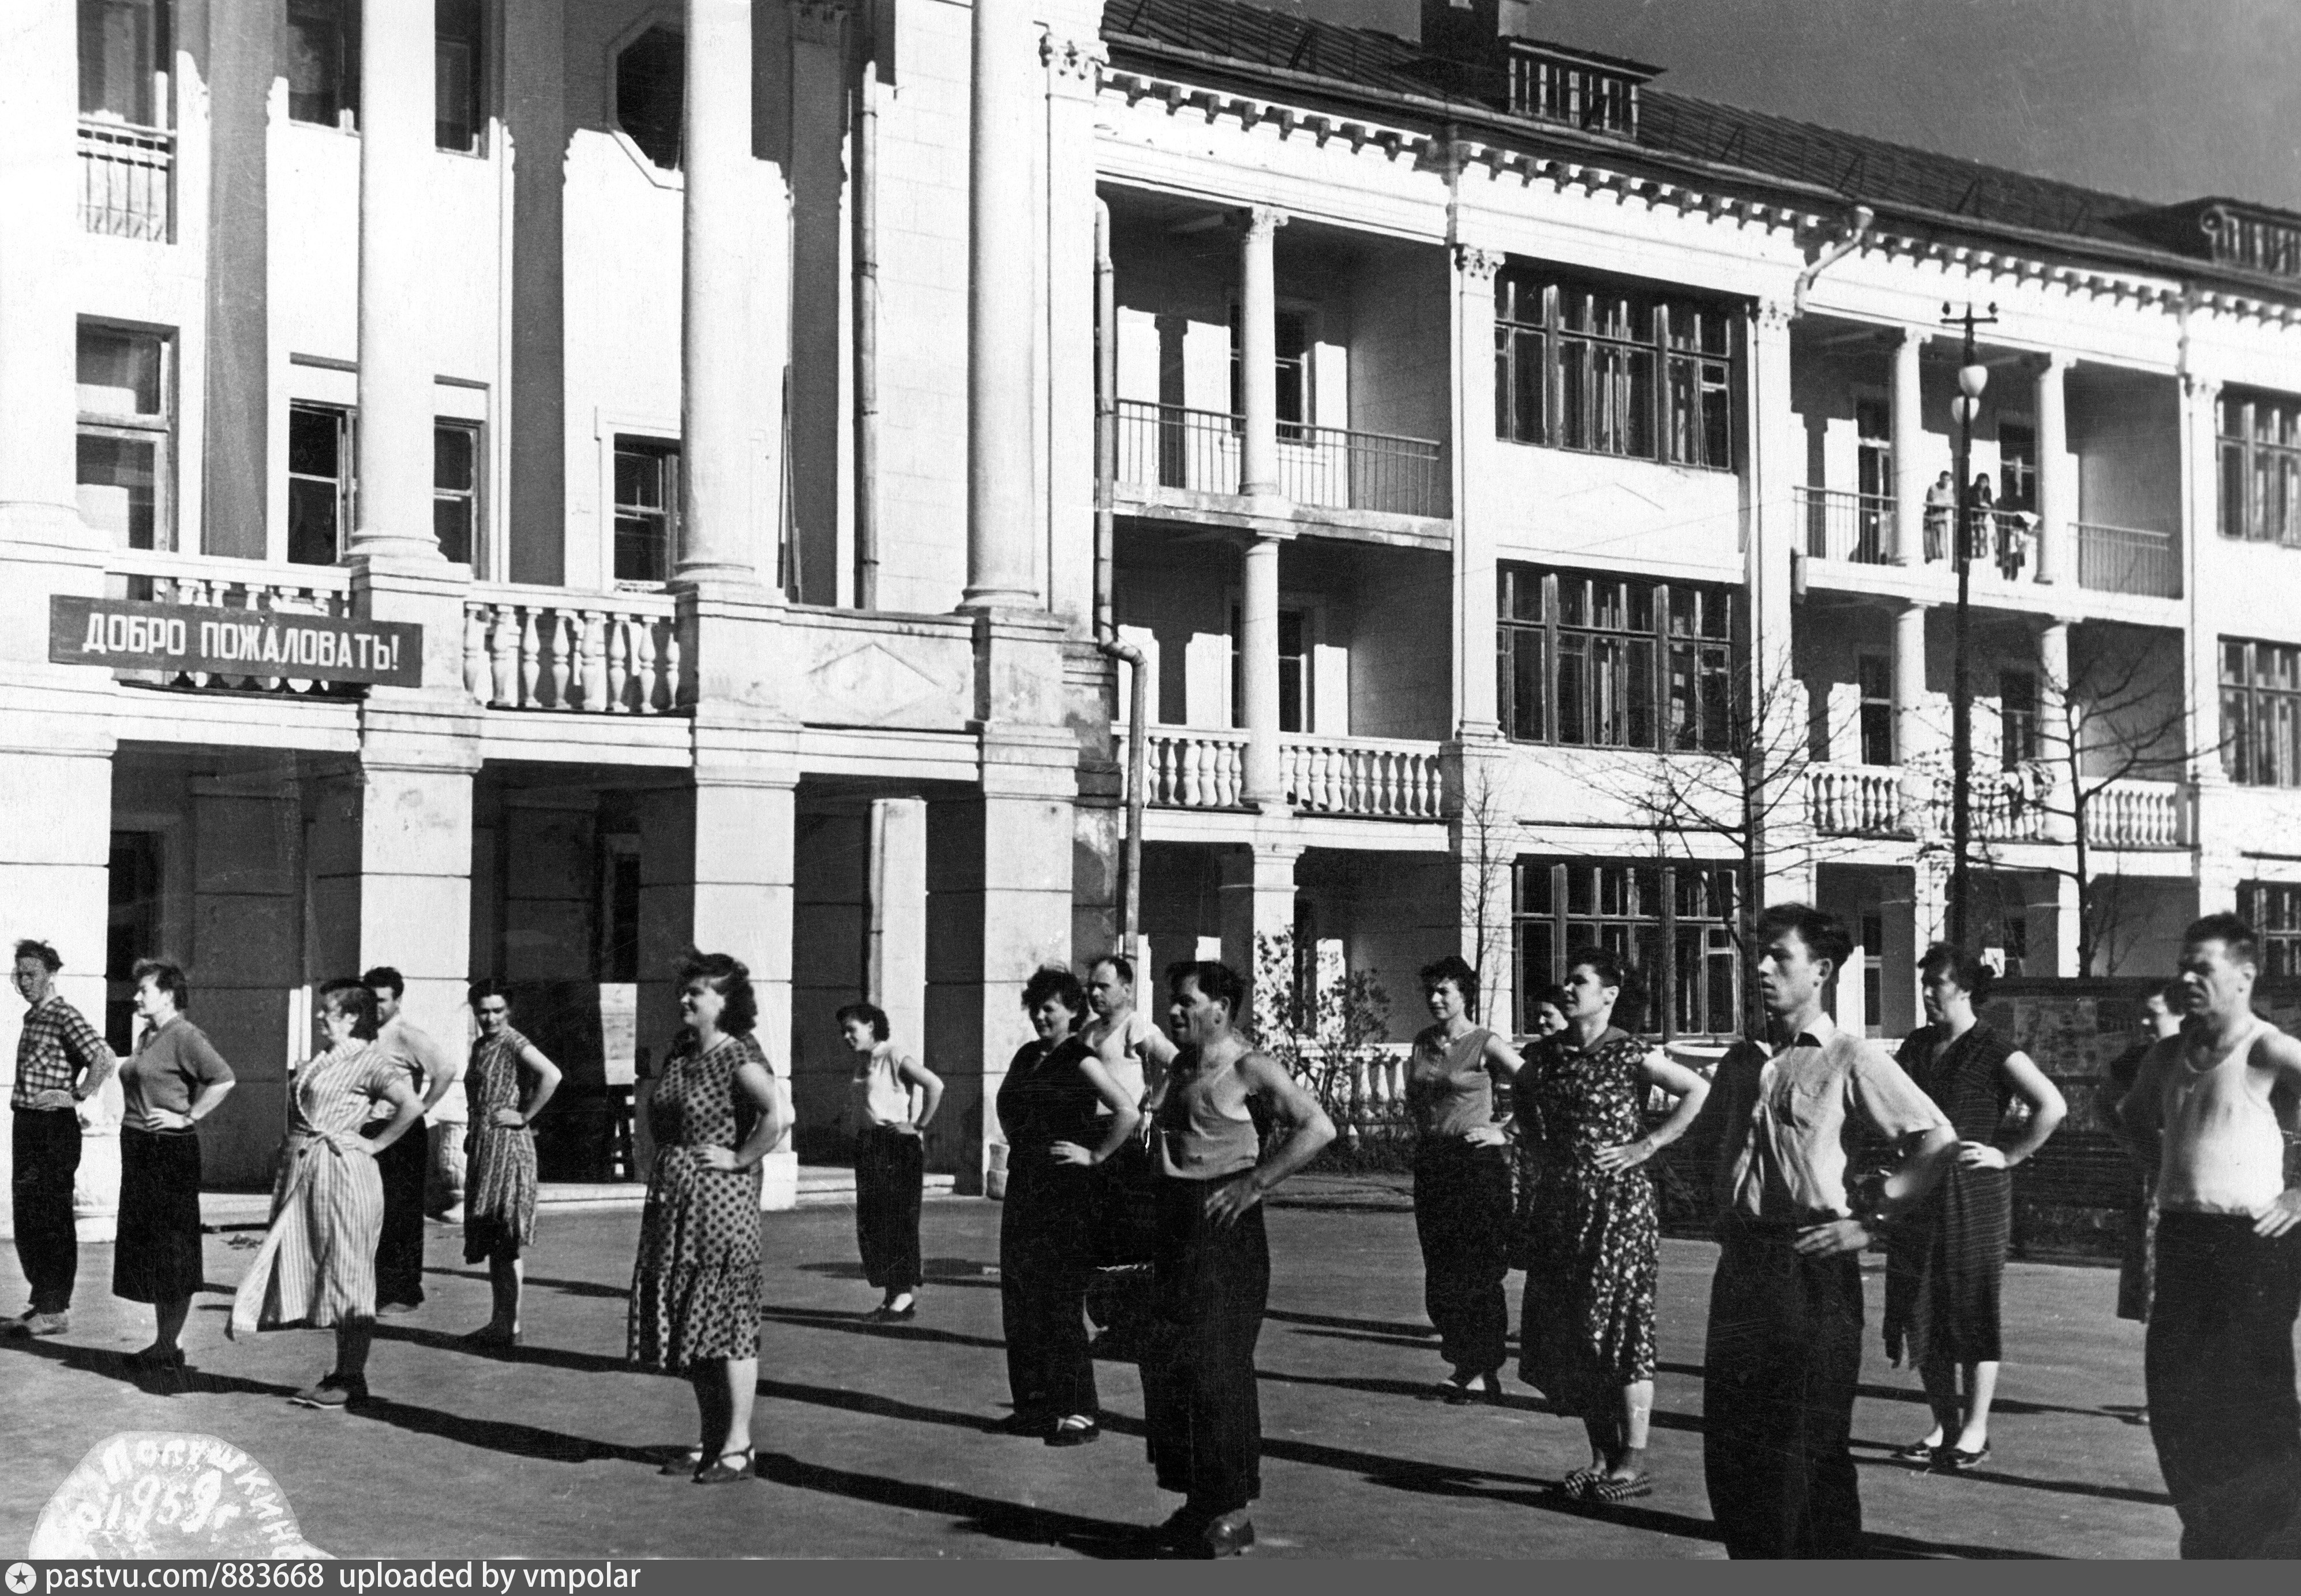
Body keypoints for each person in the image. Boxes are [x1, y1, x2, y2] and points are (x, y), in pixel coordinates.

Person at [1687, 904, 1957, 1558]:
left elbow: (1936, 1139)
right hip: (1745, 1267)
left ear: (1822, 970)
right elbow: (1707, 1149)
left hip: (1812, 1267)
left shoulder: (1849, 1058)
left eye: (1781, 956)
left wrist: (1872, 1224)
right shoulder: (1741, 1062)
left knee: (1803, 1452)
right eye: (1761, 954)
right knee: (1732, 1450)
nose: (1763, 968)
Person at [2115, 914, 2301, 1558]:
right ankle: (2211, 1541)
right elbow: (2132, 1118)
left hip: (2254, 1246)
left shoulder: (2267, 1049)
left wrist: (2300, 1194)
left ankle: (2275, 1553)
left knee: (2253, 1406)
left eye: (2203, 968)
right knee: (2176, 1402)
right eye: (2183, 967)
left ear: (2245, 976)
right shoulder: (2168, 1054)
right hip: (2184, 1241)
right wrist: (2160, 1169)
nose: (2187, 979)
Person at [1138, 960, 1335, 1557]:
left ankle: (1230, 1510)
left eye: (1186, 1001)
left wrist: (1256, 1184)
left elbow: (1318, 1127)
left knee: (1216, 1369)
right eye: (1173, 1001)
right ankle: (1197, 1501)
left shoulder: (1250, 1067)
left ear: (1220, 1008)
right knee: (1171, 1368)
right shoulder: (1178, 1066)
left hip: (1226, 1232)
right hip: (1174, 1225)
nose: (1174, 1011)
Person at [1514, 949, 1709, 1501]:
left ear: (1609, 994)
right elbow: (1524, 1101)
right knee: (1574, 1331)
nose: (1569, 991)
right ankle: (1600, 1455)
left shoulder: (1628, 1053)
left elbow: (1698, 1091)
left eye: (1580, 982)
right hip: (1562, 1208)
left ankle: (1633, 1458)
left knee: (1621, 1329)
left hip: (1620, 1210)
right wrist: (1540, 1148)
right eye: (1568, 982)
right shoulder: (1546, 1057)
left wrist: (1645, 1144)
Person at [1884, 943, 2067, 1470]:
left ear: (1965, 989)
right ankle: (1944, 1425)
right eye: (1924, 983)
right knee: (1922, 1308)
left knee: (1971, 1308)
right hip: (1921, 1193)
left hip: (1974, 1197)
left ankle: (1975, 1430)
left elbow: (2052, 1105)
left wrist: (2008, 1155)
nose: (1926, 994)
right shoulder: (1918, 1046)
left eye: (1936, 984)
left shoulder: (1992, 1048)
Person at [227, 980, 425, 1410]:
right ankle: (342, 1371)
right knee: (319, 1267)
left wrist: (374, 1143)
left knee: (349, 1272)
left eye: (328, 1010)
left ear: (351, 1017)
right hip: (311, 1173)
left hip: (344, 1175)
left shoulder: (370, 1061)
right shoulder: (324, 1060)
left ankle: (351, 1376)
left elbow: (410, 1106)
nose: (320, 1016)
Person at [629, 953, 785, 1486]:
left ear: (726, 1002)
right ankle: (711, 1435)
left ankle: (739, 1444)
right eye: (686, 991)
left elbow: (779, 1116)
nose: (685, 1000)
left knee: (726, 1321)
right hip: (677, 1207)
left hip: (721, 1205)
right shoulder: (681, 1052)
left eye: (698, 992)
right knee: (688, 1318)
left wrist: (741, 1158)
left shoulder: (737, 1055)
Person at [995, 966, 1140, 1445]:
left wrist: (1095, 1154)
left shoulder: (1081, 1057)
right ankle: (1034, 1405)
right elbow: (1010, 1108)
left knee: (1058, 1300)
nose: (1040, 1016)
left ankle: (1079, 1410)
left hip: (1064, 1194)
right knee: (1020, 1297)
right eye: (1035, 1008)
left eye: (1050, 1009)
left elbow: (1127, 1111)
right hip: (1025, 1188)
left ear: (1073, 1012)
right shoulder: (1026, 1056)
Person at [1404, 954, 1524, 1404]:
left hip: (1475, 1164)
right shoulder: (1422, 1042)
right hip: (1435, 1162)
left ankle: (1484, 1369)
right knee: (1440, 1268)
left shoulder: (1485, 1043)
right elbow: (1416, 1098)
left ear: (1463, 996)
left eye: (1444, 992)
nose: (1435, 999)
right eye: (1430, 991)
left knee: (1476, 1266)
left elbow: (1536, 1085)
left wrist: (1505, 1130)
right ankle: (1461, 1363)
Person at [113, 960, 235, 1368]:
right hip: (141, 1148)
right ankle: (164, 1343)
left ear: (167, 995)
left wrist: (188, 1116)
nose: (135, 996)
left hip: (169, 1152)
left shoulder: (184, 1035)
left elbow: (223, 1078)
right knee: (150, 1249)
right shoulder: (149, 1035)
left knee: (172, 1250)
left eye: (143, 990)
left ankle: (169, 1345)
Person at [5, 940, 117, 1338]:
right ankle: (42, 1300)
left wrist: (78, 1095)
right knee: (29, 1215)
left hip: (53, 1128)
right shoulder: (32, 1017)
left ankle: (56, 1308)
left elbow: (102, 1057)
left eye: (31, 974)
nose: (23, 982)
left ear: (51, 975)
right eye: (18, 975)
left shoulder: (63, 1014)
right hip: (29, 1125)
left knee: (51, 1215)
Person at [459, 981, 561, 1347]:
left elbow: (553, 1074)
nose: (490, 1018)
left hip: (508, 1147)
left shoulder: (514, 1042)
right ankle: (500, 1321)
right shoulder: (481, 1045)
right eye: (483, 1011)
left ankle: (510, 1323)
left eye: (498, 1011)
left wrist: (524, 1115)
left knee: (506, 1235)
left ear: (509, 1012)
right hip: (486, 1146)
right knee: (494, 1237)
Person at [362, 967, 466, 1314]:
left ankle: (403, 1292)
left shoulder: (407, 1036)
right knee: (370, 1212)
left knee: (400, 1214)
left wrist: (423, 1107)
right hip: (369, 1131)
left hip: (402, 1132)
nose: (375, 1007)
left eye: (382, 1001)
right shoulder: (364, 1035)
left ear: (398, 1000)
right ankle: (373, 1287)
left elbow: (446, 1070)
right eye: (370, 999)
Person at [840, 1001, 941, 1322]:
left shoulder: (893, 1055)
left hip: (896, 1147)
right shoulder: (863, 1063)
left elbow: (935, 1085)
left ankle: (904, 1295)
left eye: (852, 1029)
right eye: (843, 1031)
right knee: (873, 1224)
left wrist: (919, 1125)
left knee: (896, 1220)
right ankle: (892, 1296)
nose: (846, 1036)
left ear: (871, 1026)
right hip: (870, 1146)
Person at [2105, 981, 2182, 1325]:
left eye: (2154, 1016)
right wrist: (2136, 1142)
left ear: (2181, 1013)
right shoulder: (2138, 1060)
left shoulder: (2195, 1053)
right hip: (2156, 1175)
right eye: (2143, 1017)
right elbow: (2106, 1105)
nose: (2146, 1024)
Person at [1924, 470, 1957, 563]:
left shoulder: (1949, 491)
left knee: (1942, 543)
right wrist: (1943, 503)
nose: (1946, 482)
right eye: (1944, 480)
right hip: (1930, 518)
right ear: (1940, 479)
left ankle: (1942, 561)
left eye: (1948, 480)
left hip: (1941, 519)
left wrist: (1942, 503)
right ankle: (1929, 559)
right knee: (1930, 542)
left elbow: (1952, 504)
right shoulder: (1933, 488)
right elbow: (1933, 501)